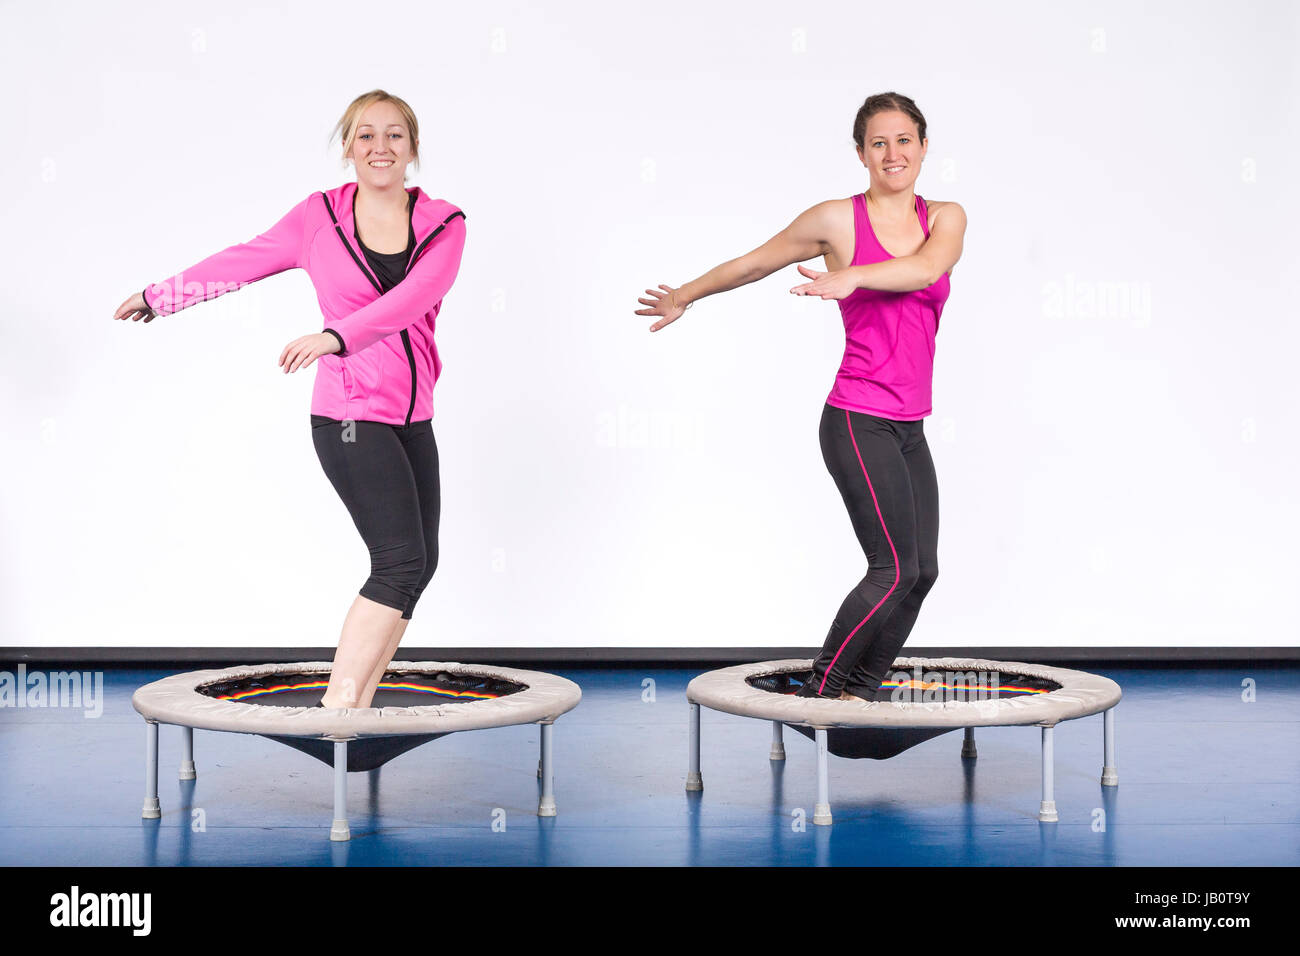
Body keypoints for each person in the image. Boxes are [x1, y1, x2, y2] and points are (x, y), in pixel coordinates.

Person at [112, 90, 468, 709]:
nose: (379, 148)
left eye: (393, 136)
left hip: (414, 415)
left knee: (421, 561)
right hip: (351, 414)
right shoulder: (317, 218)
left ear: (412, 150)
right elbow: (244, 260)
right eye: (364, 136)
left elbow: (415, 296)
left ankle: (357, 705)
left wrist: (336, 334)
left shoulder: (445, 222)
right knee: (399, 560)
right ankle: (340, 711)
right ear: (347, 148)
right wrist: (161, 295)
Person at [635, 92, 965, 701]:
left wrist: (854, 275)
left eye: (904, 141)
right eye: (878, 143)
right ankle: (824, 689)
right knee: (891, 570)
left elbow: (924, 270)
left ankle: (859, 692)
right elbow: (754, 264)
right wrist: (685, 293)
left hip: (910, 426)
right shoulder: (837, 220)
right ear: (862, 153)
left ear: (922, 146)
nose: (893, 154)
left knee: (922, 573)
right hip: (857, 418)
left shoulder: (944, 216)